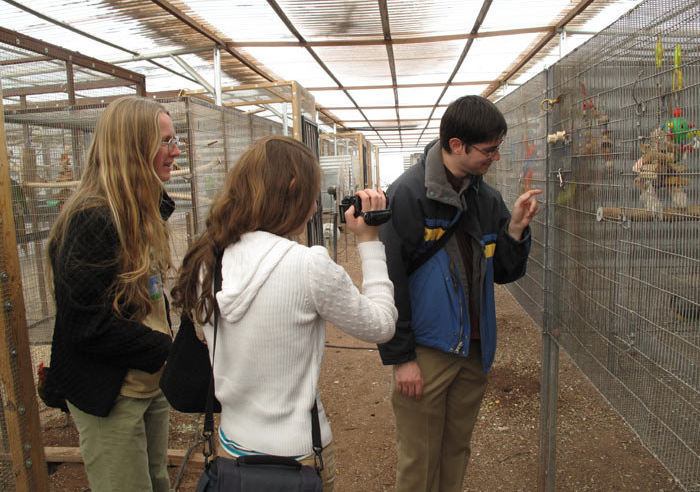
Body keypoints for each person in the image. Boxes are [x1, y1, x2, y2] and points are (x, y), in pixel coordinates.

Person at [171, 135, 398, 492]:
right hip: (297, 459)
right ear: (293, 188)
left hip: (232, 451)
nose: (314, 203)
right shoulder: (308, 266)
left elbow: (205, 336)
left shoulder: (206, 261)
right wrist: (369, 241)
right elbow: (382, 325)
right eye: (313, 192)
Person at [378, 95, 542, 492]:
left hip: (473, 350)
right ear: (456, 145)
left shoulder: (486, 200)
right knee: (419, 458)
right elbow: (389, 282)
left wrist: (516, 230)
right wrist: (402, 359)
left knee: (456, 450)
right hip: (428, 351)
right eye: (489, 150)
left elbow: (503, 271)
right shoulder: (407, 195)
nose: (496, 158)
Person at [47, 96, 181, 492]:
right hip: (110, 392)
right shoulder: (91, 219)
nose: (176, 150)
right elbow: (87, 327)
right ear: (133, 149)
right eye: (166, 141)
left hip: (148, 382)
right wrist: (171, 350)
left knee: (156, 480)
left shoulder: (143, 209)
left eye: (175, 139)